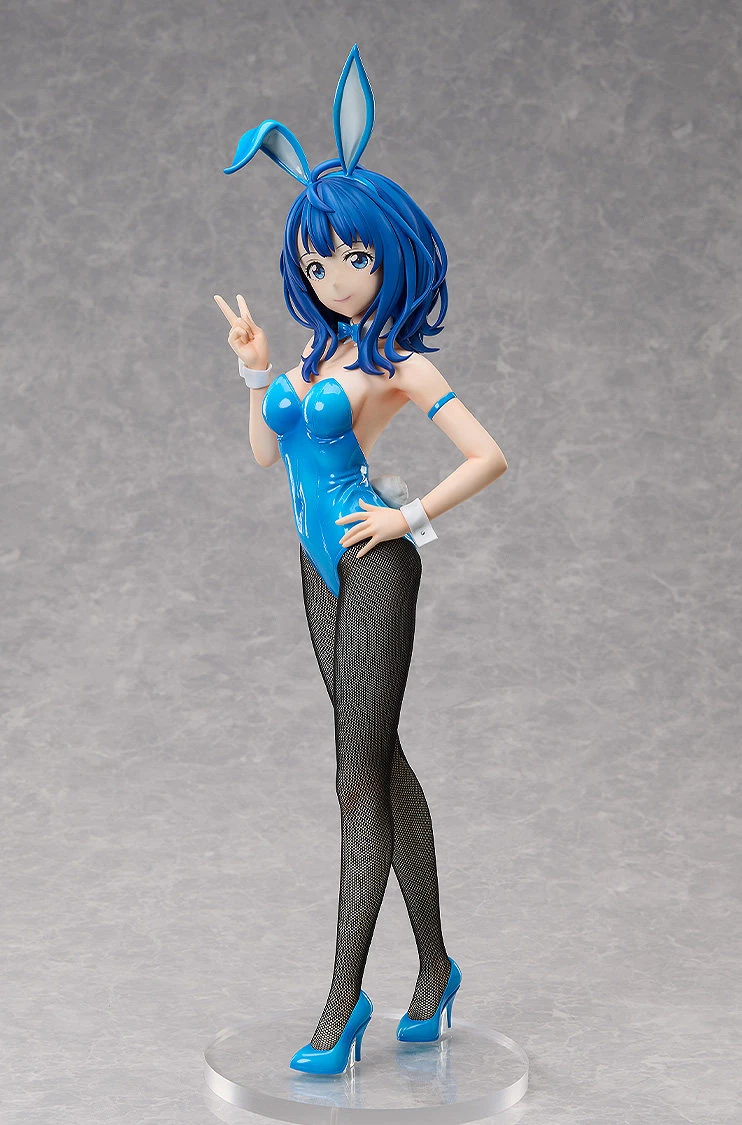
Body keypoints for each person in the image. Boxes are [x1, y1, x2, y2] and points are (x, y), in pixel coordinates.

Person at [214, 45, 507, 1075]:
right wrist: (257, 376)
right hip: (314, 566)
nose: (334, 279)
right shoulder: (311, 357)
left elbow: (489, 455)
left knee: (352, 778)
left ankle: (344, 998)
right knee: (380, 763)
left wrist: (405, 517)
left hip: (373, 561)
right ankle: (437, 967)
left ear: (389, 253)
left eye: (352, 258)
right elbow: (268, 459)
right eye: (316, 265)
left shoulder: (400, 364)